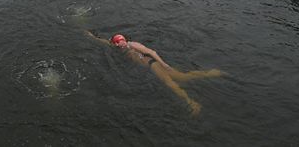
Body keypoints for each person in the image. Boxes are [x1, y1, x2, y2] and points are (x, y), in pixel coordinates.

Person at [86, 31, 223, 116]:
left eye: (122, 42)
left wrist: (163, 64)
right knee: (183, 77)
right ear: (115, 44)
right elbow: (103, 41)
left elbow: (152, 52)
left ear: (125, 41)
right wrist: (90, 35)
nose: (122, 44)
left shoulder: (132, 45)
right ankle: (211, 73)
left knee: (169, 83)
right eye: (119, 43)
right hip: (151, 66)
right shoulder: (115, 46)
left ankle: (192, 102)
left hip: (153, 65)